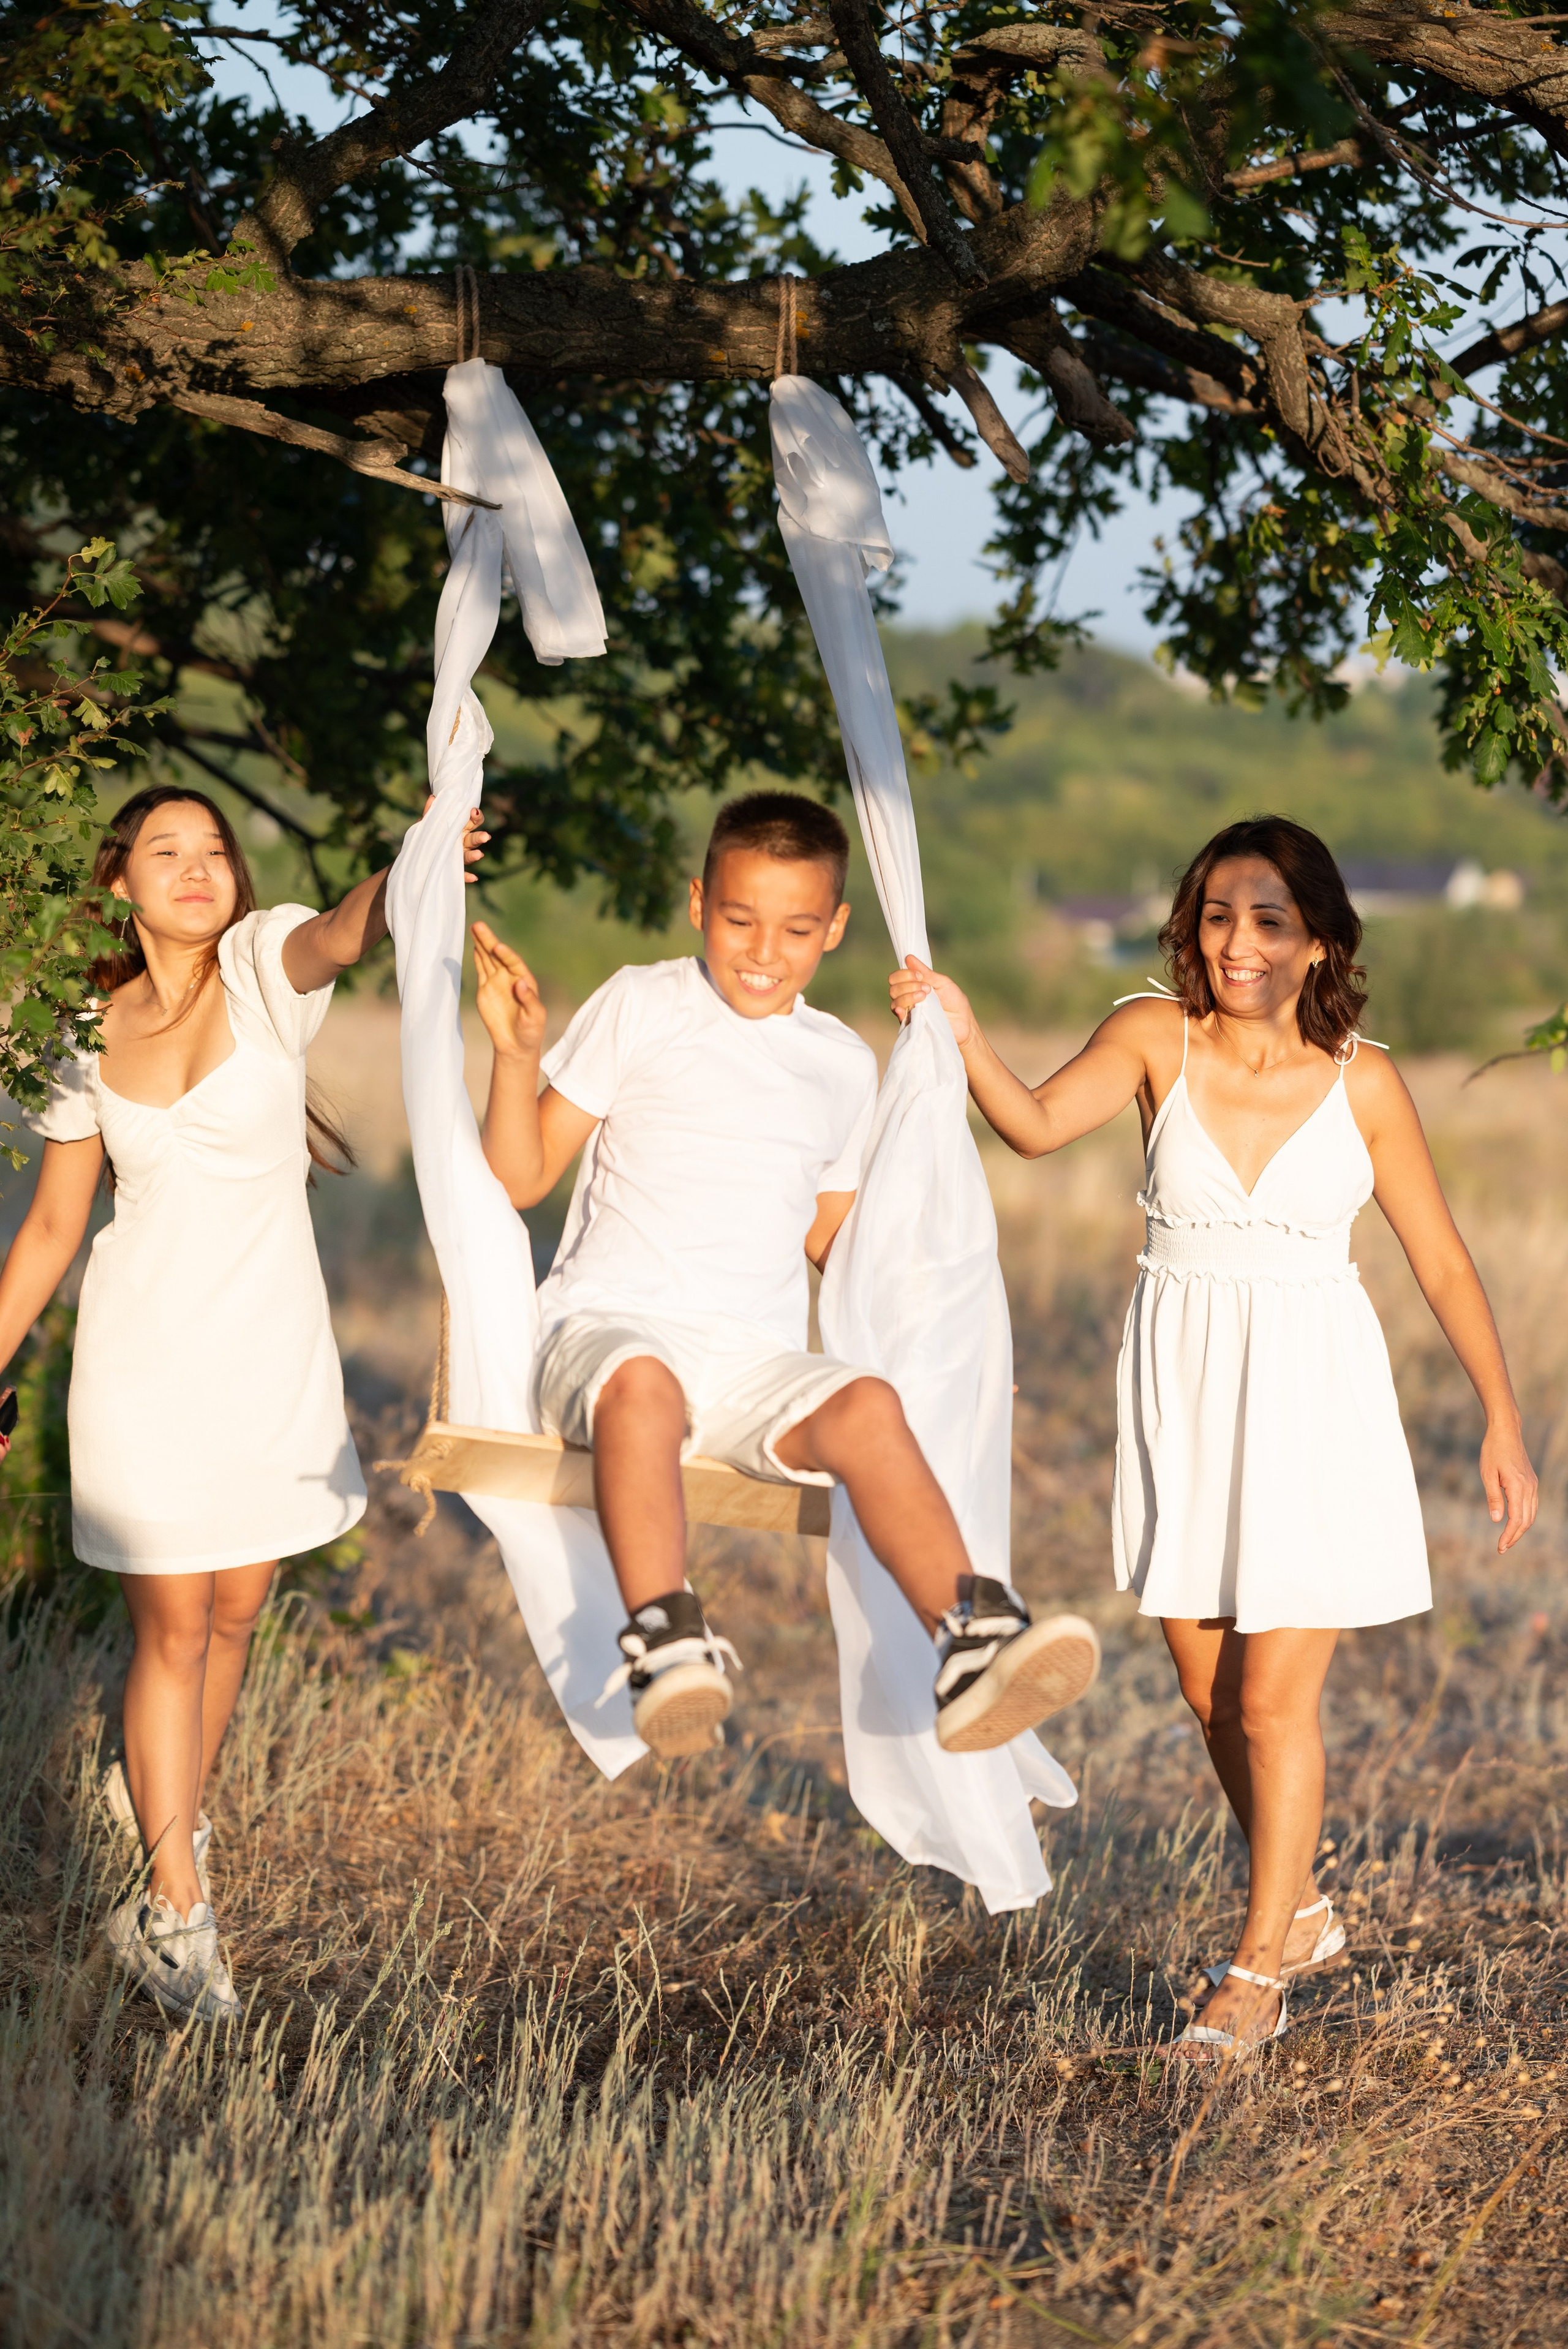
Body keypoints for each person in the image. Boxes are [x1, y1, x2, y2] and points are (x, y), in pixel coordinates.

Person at [890, 815, 1537, 2060]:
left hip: (1313, 1393)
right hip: (1181, 1388)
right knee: (1204, 1692)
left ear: (1317, 943)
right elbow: (1027, 1124)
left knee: (1270, 1701)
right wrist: (960, 1029)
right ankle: (1297, 1909)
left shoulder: (1364, 1081)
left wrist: (1500, 1419)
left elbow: (1443, 1262)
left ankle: (1252, 1974)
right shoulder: (1149, 1037)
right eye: (1217, 915)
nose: (1237, 942)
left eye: (1268, 919)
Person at [470, 788, 1101, 1762]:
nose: (763, 951)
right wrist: (514, 1060)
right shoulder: (642, 1002)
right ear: (697, 905)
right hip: (607, 1334)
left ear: (836, 930)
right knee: (646, 1385)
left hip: (747, 1359)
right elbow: (519, 1177)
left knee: (869, 1405)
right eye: (739, 920)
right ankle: (667, 1638)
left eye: (797, 928)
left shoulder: (841, 1062)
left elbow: (836, 1239)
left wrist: (949, 1350)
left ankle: (972, 1639)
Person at [0, 783, 485, 2023]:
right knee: (171, 1629)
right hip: (142, 1364)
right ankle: (173, 1906)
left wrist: (419, 853)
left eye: (214, 847)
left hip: (270, 1359)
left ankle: (159, 1809)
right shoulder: (80, 1026)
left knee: (229, 1620)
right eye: (167, 851)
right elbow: (56, 1224)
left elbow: (349, 924)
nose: (198, 868)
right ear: (121, 882)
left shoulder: (268, 966)